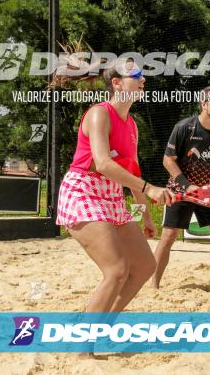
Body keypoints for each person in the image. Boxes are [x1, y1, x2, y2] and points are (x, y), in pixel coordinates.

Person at [55, 59, 175, 313]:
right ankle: (82, 348)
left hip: (111, 194)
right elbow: (103, 164)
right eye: (137, 75)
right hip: (83, 190)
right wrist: (151, 189)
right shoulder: (99, 113)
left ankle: (101, 326)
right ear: (117, 83)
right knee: (117, 270)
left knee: (144, 266)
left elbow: (130, 172)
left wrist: (147, 217)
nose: (143, 79)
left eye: (143, 75)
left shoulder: (131, 125)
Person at [151, 87, 210, 294]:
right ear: (203, 103)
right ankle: (153, 285)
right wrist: (187, 185)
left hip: (209, 193)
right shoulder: (185, 127)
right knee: (169, 236)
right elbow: (167, 160)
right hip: (181, 189)